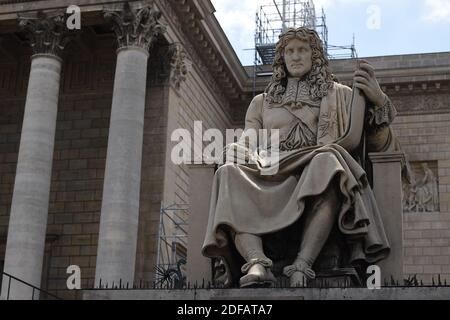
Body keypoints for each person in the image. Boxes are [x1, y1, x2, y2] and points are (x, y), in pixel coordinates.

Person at [202, 27, 399, 288]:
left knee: (327, 161)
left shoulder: (339, 95)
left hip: (314, 166)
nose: (295, 57)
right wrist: (239, 149)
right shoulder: (262, 102)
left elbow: (379, 143)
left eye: (302, 50)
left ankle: (303, 265)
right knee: (228, 170)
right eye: (289, 51)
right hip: (270, 168)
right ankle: (257, 262)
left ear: (314, 56)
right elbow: (250, 136)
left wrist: (379, 100)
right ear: (281, 58)